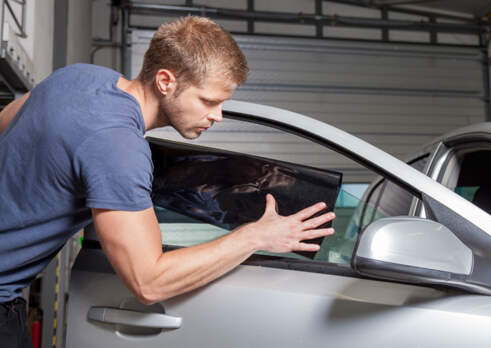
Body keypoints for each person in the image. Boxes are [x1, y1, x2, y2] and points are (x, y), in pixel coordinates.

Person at [0, 16, 335, 347]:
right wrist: (254, 236)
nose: (217, 115)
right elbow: (149, 282)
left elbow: (5, 122)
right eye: (208, 101)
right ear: (165, 81)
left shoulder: (80, 77)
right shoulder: (119, 147)